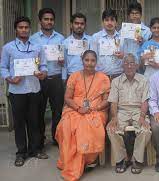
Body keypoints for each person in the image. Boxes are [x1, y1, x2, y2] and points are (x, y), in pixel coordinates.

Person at [1, 16, 48, 167]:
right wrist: (9, 79)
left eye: (26, 27)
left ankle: (35, 149)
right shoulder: (8, 47)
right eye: (21, 27)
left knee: (35, 122)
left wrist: (43, 74)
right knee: (20, 123)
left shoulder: (37, 47)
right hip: (17, 91)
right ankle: (21, 152)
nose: (24, 30)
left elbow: (44, 66)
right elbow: (3, 67)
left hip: (34, 89)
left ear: (30, 29)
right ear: (16, 29)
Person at [55, 50, 110, 181]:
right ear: (82, 60)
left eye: (92, 60)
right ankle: (71, 160)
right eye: (87, 60)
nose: (90, 63)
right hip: (75, 109)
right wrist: (79, 108)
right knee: (65, 126)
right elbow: (67, 98)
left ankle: (87, 159)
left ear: (96, 62)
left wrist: (94, 108)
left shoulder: (103, 78)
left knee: (85, 127)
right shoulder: (74, 76)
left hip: (97, 111)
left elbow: (107, 100)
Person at [107, 53, 151, 174]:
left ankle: (136, 159)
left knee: (146, 130)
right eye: (126, 63)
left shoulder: (143, 80)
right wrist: (114, 117)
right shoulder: (116, 81)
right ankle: (122, 158)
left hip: (138, 111)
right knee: (111, 129)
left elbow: (145, 101)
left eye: (132, 63)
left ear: (136, 65)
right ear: (122, 65)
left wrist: (142, 116)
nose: (129, 66)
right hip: (122, 111)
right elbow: (114, 102)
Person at [30, 8, 65, 147]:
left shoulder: (60, 38)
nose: (49, 22)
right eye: (46, 19)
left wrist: (62, 61)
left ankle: (56, 137)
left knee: (58, 111)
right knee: (39, 111)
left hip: (56, 78)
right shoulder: (33, 39)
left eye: (51, 19)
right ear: (40, 21)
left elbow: (64, 60)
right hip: (39, 79)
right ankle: (40, 139)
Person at [91, 8, 124, 80]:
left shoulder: (122, 38)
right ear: (102, 22)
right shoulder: (96, 37)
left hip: (118, 76)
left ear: (116, 22)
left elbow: (126, 57)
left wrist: (123, 56)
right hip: (100, 77)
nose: (109, 23)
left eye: (112, 20)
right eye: (106, 20)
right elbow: (93, 58)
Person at [122, 1, 151, 65]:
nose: (134, 16)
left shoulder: (147, 31)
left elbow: (150, 48)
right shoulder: (123, 30)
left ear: (141, 15)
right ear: (129, 15)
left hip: (140, 64)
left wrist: (143, 42)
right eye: (132, 13)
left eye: (137, 13)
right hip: (127, 64)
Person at [63, 13, 90, 79]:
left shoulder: (91, 40)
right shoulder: (65, 42)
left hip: (88, 76)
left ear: (85, 25)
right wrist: (64, 78)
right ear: (71, 25)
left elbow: (95, 60)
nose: (79, 26)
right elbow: (64, 64)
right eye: (76, 23)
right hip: (71, 76)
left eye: (82, 24)